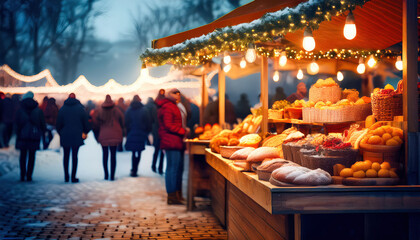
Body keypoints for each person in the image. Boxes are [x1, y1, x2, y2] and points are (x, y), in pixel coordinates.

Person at [157, 88, 186, 204]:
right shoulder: (168, 106)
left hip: (175, 140)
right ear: (168, 94)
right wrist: (182, 131)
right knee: (172, 169)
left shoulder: (173, 105)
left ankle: (177, 195)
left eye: (179, 93)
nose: (177, 95)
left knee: (177, 168)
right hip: (171, 141)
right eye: (174, 93)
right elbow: (168, 125)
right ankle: (172, 196)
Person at [56, 93, 90, 183]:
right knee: (75, 156)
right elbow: (86, 123)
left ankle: (66, 176)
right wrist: (85, 132)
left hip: (65, 135)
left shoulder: (62, 109)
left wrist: (61, 133)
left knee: (66, 156)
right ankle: (73, 177)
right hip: (76, 135)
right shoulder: (80, 109)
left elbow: (58, 124)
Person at [15, 91, 46, 181]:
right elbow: (42, 124)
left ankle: (22, 175)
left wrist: (18, 134)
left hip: (22, 136)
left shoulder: (20, 110)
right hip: (34, 136)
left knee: (23, 156)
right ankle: (29, 175)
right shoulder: (38, 110)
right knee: (32, 156)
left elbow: (16, 124)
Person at [96, 95, 124, 181]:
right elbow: (122, 121)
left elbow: (96, 123)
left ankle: (106, 175)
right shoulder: (116, 110)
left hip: (104, 135)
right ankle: (112, 175)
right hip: (114, 135)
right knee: (113, 155)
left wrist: (98, 134)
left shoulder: (100, 111)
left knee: (105, 155)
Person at [125, 95, 151, 177]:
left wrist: (129, 131)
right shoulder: (144, 110)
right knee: (139, 152)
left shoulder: (129, 110)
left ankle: (133, 169)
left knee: (133, 152)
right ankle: (135, 169)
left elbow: (126, 122)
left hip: (132, 133)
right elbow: (148, 123)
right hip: (141, 134)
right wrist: (146, 131)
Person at [145, 96, 164, 174]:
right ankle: (159, 168)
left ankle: (154, 166)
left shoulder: (154, 108)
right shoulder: (162, 110)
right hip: (161, 132)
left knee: (157, 150)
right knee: (161, 152)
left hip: (156, 132)